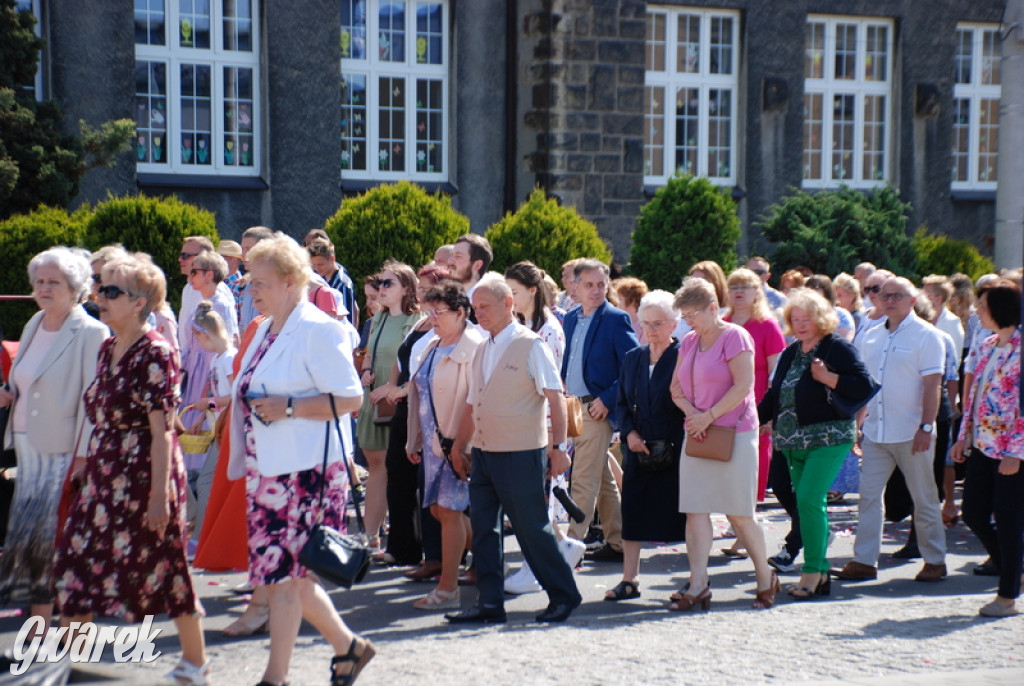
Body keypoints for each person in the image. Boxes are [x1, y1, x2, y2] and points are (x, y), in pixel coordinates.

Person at [52, 254, 209, 684]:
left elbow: (163, 433)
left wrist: (159, 498)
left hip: (145, 476)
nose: (100, 297)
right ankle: (73, 662)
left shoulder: (156, 352)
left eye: (112, 291)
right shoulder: (107, 347)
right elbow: (98, 413)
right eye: (100, 288)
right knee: (75, 563)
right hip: (105, 475)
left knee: (165, 567)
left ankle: (196, 664)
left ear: (139, 303)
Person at [226, 234, 374, 686]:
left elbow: (351, 398)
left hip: (306, 472)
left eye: (260, 283)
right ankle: (349, 648)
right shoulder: (266, 328)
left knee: (288, 579)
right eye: (251, 282)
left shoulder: (319, 328)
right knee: (280, 577)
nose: (252, 291)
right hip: (269, 470)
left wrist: (288, 407)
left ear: (291, 282)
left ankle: (276, 677)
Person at [444, 275, 581, 624]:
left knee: (532, 528)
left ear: (509, 304)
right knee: (485, 531)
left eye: (485, 307)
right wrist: (460, 447)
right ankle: (490, 604)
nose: (479, 314)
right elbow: (473, 403)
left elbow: (555, 397)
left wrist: (558, 448)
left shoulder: (531, 344)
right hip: (485, 454)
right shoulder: (481, 348)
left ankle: (564, 596)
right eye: (476, 308)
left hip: (522, 453)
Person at [0, 248, 108, 628]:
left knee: (50, 537)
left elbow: (94, 401)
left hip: (63, 449)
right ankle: (39, 624)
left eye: (53, 282)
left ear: (76, 287)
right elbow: (23, 376)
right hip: (27, 444)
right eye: (39, 282)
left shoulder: (91, 331)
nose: (43, 289)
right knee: (30, 536)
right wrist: (7, 391)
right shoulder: (34, 322)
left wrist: (83, 456)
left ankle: (64, 625)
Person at [758, 289, 875, 600]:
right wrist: (750, 420)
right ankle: (820, 573)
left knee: (809, 499)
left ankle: (812, 570)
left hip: (829, 437)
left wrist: (828, 378)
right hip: (792, 440)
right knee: (808, 504)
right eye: (794, 319)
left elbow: (864, 386)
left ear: (820, 318)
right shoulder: (790, 352)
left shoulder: (836, 347)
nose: (800, 324)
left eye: (806, 319)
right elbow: (774, 396)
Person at [669, 278, 777, 611]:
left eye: (693, 314)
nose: (689, 321)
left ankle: (765, 576)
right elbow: (676, 389)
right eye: (685, 316)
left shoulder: (735, 336)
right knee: (695, 511)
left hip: (736, 433)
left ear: (713, 308)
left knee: (740, 512)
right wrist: (693, 415)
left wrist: (709, 415)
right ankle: (698, 583)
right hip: (699, 433)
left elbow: (744, 385)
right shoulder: (688, 341)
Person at [832, 277, 948, 584]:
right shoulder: (871, 337)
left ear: (913, 301)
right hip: (876, 432)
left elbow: (932, 385)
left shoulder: (928, 336)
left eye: (898, 295)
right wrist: (858, 425)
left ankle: (935, 560)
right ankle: (864, 560)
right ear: (878, 301)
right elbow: (866, 387)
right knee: (869, 497)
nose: (890, 300)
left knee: (923, 497)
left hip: (912, 432)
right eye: (885, 295)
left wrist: (926, 426)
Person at [503, 261, 585, 594]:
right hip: (524, 422)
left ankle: (535, 567)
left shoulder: (548, 329)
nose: (509, 298)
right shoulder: (520, 323)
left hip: (543, 426)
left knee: (537, 501)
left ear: (532, 291)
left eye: (514, 292)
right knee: (533, 501)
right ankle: (562, 547)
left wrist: (555, 441)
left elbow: (550, 388)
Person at [604, 290, 687, 601]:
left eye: (658, 323)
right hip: (638, 445)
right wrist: (630, 434)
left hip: (676, 444)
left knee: (684, 513)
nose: (650, 330)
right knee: (634, 510)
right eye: (645, 324)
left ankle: (694, 578)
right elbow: (623, 402)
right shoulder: (633, 358)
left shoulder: (683, 356)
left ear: (674, 323)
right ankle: (629, 579)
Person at [405, 282, 483, 609]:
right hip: (434, 445)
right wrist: (413, 437)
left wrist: (461, 444)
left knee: (449, 511)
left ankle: (448, 588)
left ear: (461, 312)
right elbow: (416, 391)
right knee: (438, 509)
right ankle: (483, 553)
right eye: (429, 311)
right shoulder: (431, 344)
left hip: (458, 444)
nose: (432, 317)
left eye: (439, 312)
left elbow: (476, 401)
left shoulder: (476, 346)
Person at [952, 281, 1023, 618]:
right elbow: (974, 398)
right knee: (974, 514)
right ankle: (1016, 566)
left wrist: (1017, 452)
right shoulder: (986, 345)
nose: (977, 311)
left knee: (1009, 521)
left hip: (1012, 452)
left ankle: (1007, 595)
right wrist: (963, 435)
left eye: (982, 305)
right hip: (982, 444)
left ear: (1000, 309)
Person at [561, 258, 639, 562]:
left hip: (597, 409)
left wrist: (607, 399)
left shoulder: (615, 319)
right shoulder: (569, 318)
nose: (595, 290)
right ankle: (618, 540)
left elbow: (633, 365)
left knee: (582, 480)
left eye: (600, 284)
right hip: (574, 406)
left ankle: (570, 547)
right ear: (575, 287)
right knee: (602, 476)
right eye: (588, 285)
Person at [359, 261, 425, 550]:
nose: (381, 288)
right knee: (376, 466)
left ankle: (396, 537)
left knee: (393, 470)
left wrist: (391, 387)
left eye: (389, 283)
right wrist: (366, 371)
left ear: (407, 289)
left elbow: (414, 364)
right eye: (380, 282)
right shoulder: (377, 320)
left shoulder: (418, 321)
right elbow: (368, 354)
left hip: (399, 400)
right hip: (373, 399)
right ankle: (370, 535)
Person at [724, 268, 786, 504]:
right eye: (733, 286)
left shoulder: (767, 326)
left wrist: (772, 413)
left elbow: (777, 373)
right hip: (724, 403)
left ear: (757, 292)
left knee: (755, 453)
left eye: (745, 287)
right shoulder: (723, 324)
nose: (738, 292)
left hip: (757, 403)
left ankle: (750, 506)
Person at [189, 302, 237, 546]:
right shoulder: (218, 359)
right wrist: (200, 417)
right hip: (220, 428)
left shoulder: (229, 359)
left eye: (198, 338)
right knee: (215, 480)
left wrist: (208, 403)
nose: (197, 344)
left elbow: (237, 395)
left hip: (229, 429)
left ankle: (203, 537)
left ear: (206, 335)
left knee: (207, 480)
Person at [306, 236, 358, 327]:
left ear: (332, 259)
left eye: (320, 264)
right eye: (313, 265)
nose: (316, 268)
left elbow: (348, 321)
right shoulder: (321, 276)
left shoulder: (343, 284)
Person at [805, 275, 855, 342]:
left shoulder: (841, 315)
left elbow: (845, 341)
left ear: (826, 291)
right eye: (808, 288)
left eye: (815, 287)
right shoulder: (802, 315)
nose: (811, 291)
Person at [447, 233, 492, 298]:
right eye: (451, 255)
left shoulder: (488, 301)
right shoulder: (447, 297)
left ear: (477, 265)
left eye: (458, 256)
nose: (449, 261)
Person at [612, 277, 650, 344]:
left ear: (632, 300)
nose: (616, 302)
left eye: (620, 299)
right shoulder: (618, 322)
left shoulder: (645, 326)